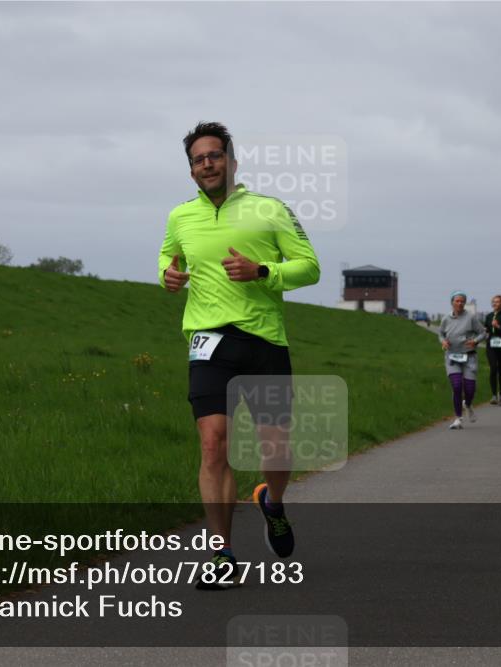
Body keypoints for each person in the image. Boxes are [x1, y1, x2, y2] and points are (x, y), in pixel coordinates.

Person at [159, 122, 320, 588]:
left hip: (264, 340)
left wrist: (262, 271)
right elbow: (169, 258)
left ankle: (272, 501)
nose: (206, 164)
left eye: (213, 156)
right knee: (213, 443)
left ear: (231, 159)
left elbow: (309, 267)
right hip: (208, 341)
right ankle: (223, 555)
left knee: (275, 447)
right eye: (197, 159)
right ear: (190, 169)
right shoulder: (180, 217)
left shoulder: (269, 209)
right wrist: (167, 277)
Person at [439, 291, 487, 429]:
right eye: (457, 301)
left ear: (464, 303)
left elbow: (483, 333)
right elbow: (441, 334)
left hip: (469, 356)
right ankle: (458, 418)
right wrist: (443, 342)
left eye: (462, 301)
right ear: (452, 302)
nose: (459, 303)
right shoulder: (446, 319)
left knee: (470, 389)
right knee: (456, 385)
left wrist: (475, 341)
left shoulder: (471, 317)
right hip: (452, 356)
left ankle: (467, 404)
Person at [483, 295, 501, 406]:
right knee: (493, 369)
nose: (495, 304)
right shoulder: (489, 316)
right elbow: (486, 329)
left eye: (497, 302)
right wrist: (485, 329)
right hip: (491, 346)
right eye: (493, 302)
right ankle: (494, 395)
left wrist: (498, 327)